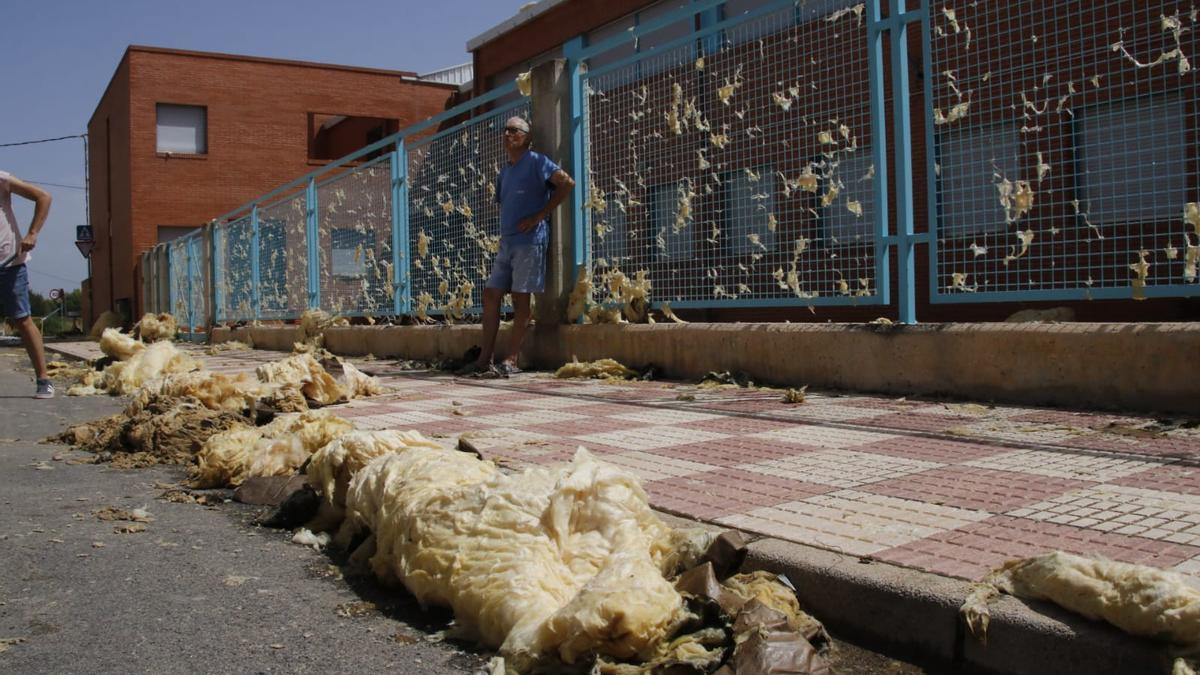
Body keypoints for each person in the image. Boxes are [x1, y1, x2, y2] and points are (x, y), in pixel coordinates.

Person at [461, 116, 574, 377]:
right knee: (490, 294)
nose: (507, 134)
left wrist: (538, 215)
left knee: (520, 298)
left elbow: (567, 183)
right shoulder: (505, 171)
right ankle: (484, 359)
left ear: (527, 137)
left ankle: (511, 360)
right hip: (507, 242)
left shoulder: (537, 161)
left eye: (514, 130)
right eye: (506, 130)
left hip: (530, 241)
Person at [0, 171, 53, 398]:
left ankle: (44, 380)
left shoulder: (1, 179)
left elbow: (43, 197)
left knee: (22, 319)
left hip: (10, 263)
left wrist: (32, 233)